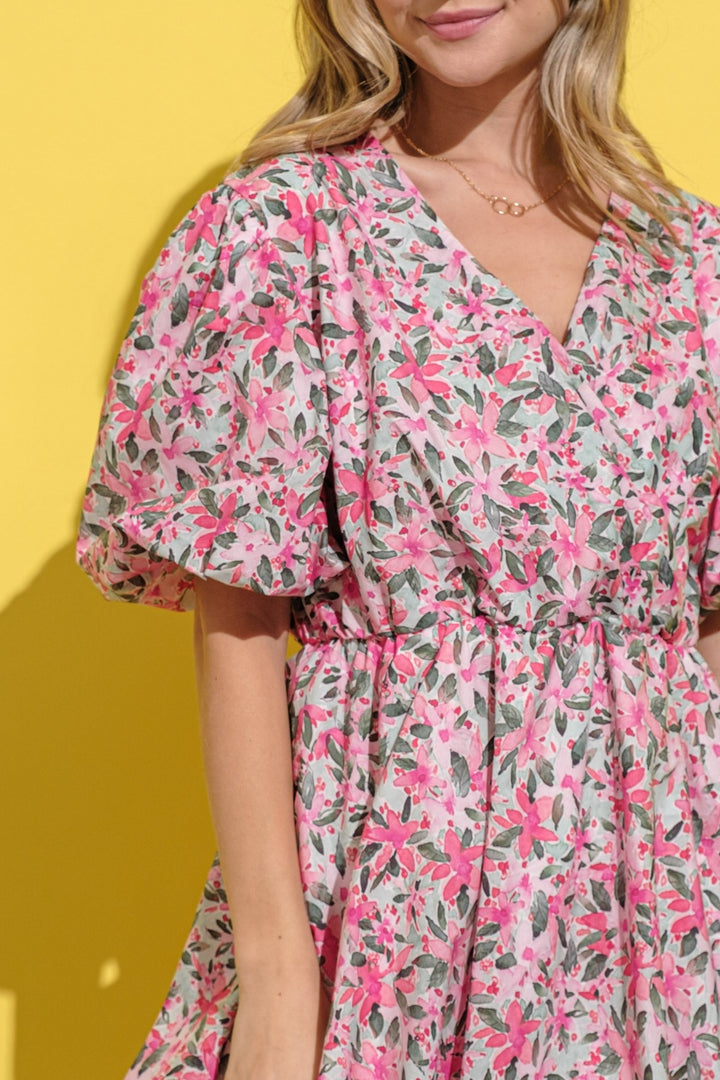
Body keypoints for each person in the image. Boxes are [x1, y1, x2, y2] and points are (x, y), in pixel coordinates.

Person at [75, 0, 720, 1076]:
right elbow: (237, 616)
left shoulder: (695, 263)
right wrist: (282, 978)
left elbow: (701, 628)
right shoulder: (285, 230)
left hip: (660, 917)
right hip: (393, 905)